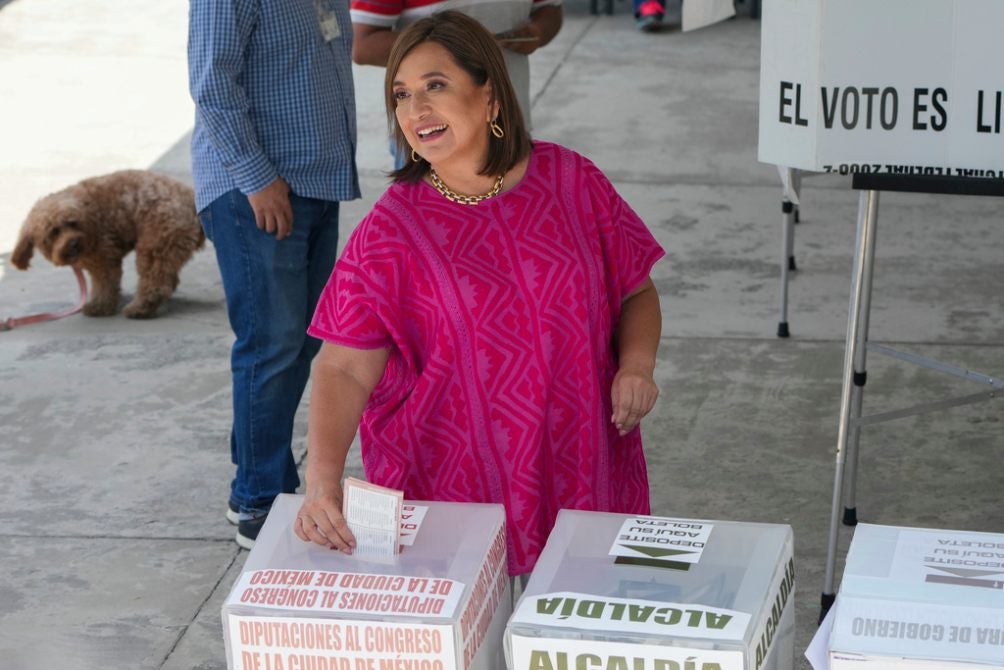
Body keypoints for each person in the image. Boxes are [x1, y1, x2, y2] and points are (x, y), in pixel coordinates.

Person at [295, 11, 664, 577]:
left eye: (435, 86)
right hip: (451, 487)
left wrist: (636, 366)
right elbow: (343, 366)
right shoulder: (392, 230)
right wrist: (322, 480)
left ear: (489, 95)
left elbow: (635, 289)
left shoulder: (571, 181)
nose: (416, 110)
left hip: (581, 461)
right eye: (401, 94)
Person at [187, 0, 360, 549]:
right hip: (257, 188)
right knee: (272, 346)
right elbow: (212, 82)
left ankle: (250, 483)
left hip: (317, 177)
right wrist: (258, 178)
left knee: (298, 344)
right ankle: (262, 500)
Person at [350, 0, 562, 154]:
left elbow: (550, 10)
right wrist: (458, 45)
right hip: (432, 131)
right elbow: (362, 45)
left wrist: (537, 32)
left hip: (509, 117)